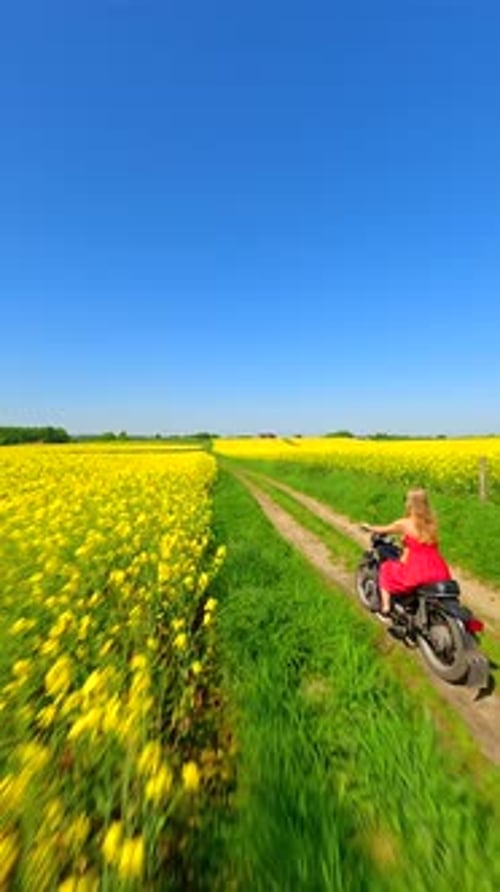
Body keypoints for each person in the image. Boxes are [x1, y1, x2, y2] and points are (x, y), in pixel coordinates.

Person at [362, 488, 451, 619]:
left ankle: (386, 607)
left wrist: (368, 527)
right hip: (438, 568)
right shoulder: (432, 523)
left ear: (410, 504)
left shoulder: (404, 524)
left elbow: (383, 529)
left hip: (418, 571)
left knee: (386, 569)